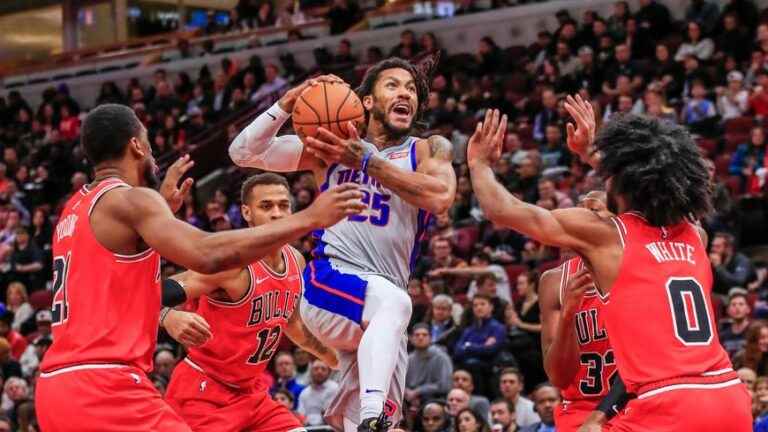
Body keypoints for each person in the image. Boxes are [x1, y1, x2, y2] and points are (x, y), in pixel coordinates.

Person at [35, 103, 364, 431]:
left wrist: (161, 214)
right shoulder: (132, 199)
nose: (151, 153)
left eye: (284, 206)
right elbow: (206, 253)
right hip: (110, 384)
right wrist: (310, 217)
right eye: (148, 142)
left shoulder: (75, 209)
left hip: (58, 385)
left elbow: (115, 284)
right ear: (136, 145)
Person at [467, 98, 751, 430]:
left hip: (667, 403)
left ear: (620, 183)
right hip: (728, 395)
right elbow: (648, 182)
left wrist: (479, 165)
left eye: (608, 177)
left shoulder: (610, 236)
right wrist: (593, 153)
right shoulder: (695, 235)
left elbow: (505, 210)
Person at [228, 58, 460, 431]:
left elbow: (440, 196)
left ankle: (367, 420)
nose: (405, 93)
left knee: (376, 417)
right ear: (366, 101)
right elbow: (243, 153)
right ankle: (371, 416)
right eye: (393, 86)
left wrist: (369, 162)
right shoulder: (330, 146)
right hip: (330, 280)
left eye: (411, 90)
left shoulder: (427, 149)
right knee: (394, 308)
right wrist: (285, 103)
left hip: (382, 311)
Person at [162, 173, 344, 431]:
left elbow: (291, 324)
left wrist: (336, 359)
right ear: (247, 213)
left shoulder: (296, 261)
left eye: (283, 205)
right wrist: (167, 316)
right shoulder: (230, 264)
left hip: (251, 392)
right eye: (266, 206)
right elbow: (152, 293)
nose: (277, 214)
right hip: (204, 391)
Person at [539, 191, 624, 431]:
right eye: (579, 208)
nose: (580, 215)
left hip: (635, 402)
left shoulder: (640, 268)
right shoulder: (555, 281)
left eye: (593, 209)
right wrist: (568, 314)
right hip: (580, 407)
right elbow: (558, 376)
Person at [405, 323, 453, 406]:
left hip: (435, 399)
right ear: (411, 339)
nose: (420, 337)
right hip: (409, 399)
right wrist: (408, 393)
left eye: (424, 335)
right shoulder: (408, 359)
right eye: (417, 335)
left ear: (430, 338)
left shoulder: (441, 357)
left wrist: (417, 392)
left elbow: (445, 385)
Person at [298, 360, 340, 427]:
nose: (319, 371)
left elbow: (331, 414)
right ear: (311, 372)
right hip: (308, 428)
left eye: (323, 369)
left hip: (329, 428)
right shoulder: (304, 392)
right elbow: (301, 414)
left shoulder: (335, 389)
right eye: (316, 369)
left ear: (329, 372)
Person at [720, 290, 752, 358]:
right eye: (733, 304)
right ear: (728, 310)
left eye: (741, 304)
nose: (737, 307)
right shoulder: (723, 334)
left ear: (748, 309)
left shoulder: (754, 331)